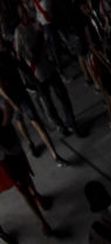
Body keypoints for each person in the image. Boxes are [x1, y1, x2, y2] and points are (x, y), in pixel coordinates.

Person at [0, 96, 54, 237]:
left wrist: (3, 127)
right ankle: (42, 221)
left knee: (26, 176)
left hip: (11, 144)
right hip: (3, 156)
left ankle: (37, 195)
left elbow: (7, 106)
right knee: (22, 188)